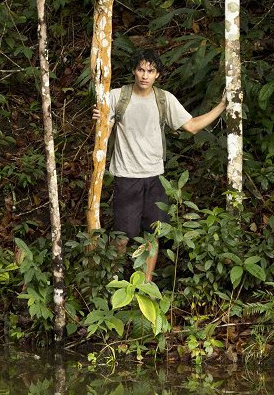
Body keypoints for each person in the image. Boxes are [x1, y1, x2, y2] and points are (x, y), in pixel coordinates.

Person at [97, 48, 226, 281]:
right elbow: (102, 132)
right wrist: (100, 118)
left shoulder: (164, 99)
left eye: (151, 71)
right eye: (141, 70)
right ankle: (114, 283)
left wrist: (222, 106)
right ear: (133, 72)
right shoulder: (117, 96)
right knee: (122, 237)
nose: (145, 75)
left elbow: (192, 126)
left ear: (158, 75)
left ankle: (145, 285)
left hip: (156, 177)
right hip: (126, 176)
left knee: (152, 234)